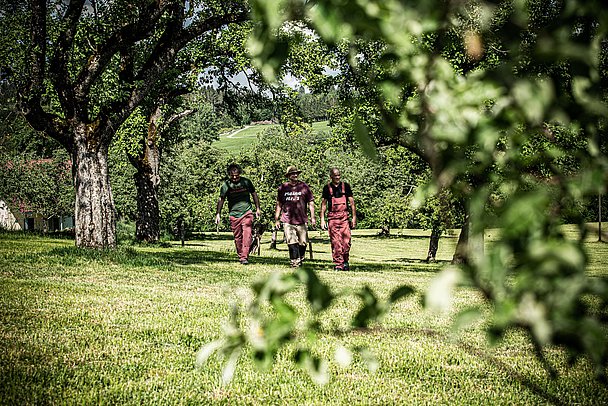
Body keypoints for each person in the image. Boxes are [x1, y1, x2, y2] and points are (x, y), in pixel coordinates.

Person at [215, 163, 261, 265]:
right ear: (229, 174)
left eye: (237, 175)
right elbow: (221, 199)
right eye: (232, 175)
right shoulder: (226, 185)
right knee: (238, 237)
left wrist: (258, 208)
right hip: (234, 214)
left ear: (239, 173)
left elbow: (254, 194)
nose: (235, 177)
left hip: (247, 212)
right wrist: (218, 213)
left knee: (247, 235)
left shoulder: (246, 182)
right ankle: (241, 255)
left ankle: (244, 257)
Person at [275, 165, 316, 267]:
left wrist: (313, 217)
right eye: (292, 174)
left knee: (303, 243)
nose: (294, 175)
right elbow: (279, 204)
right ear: (288, 176)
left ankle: (300, 257)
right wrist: (276, 219)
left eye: (296, 173)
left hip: (301, 219)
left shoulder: (304, 187)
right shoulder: (283, 188)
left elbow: (311, 202)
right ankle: (294, 261)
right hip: (287, 219)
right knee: (291, 241)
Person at [320, 167, 357, 271]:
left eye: (339, 175)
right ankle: (338, 265)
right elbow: (323, 205)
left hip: (345, 218)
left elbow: (352, 203)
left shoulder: (346, 186)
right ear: (331, 176)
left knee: (346, 242)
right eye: (335, 175)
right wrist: (322, 219)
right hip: (332, 218)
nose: (337, 177)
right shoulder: (326, 188)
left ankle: (345, 261)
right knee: (336, 242)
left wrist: (354, 218)